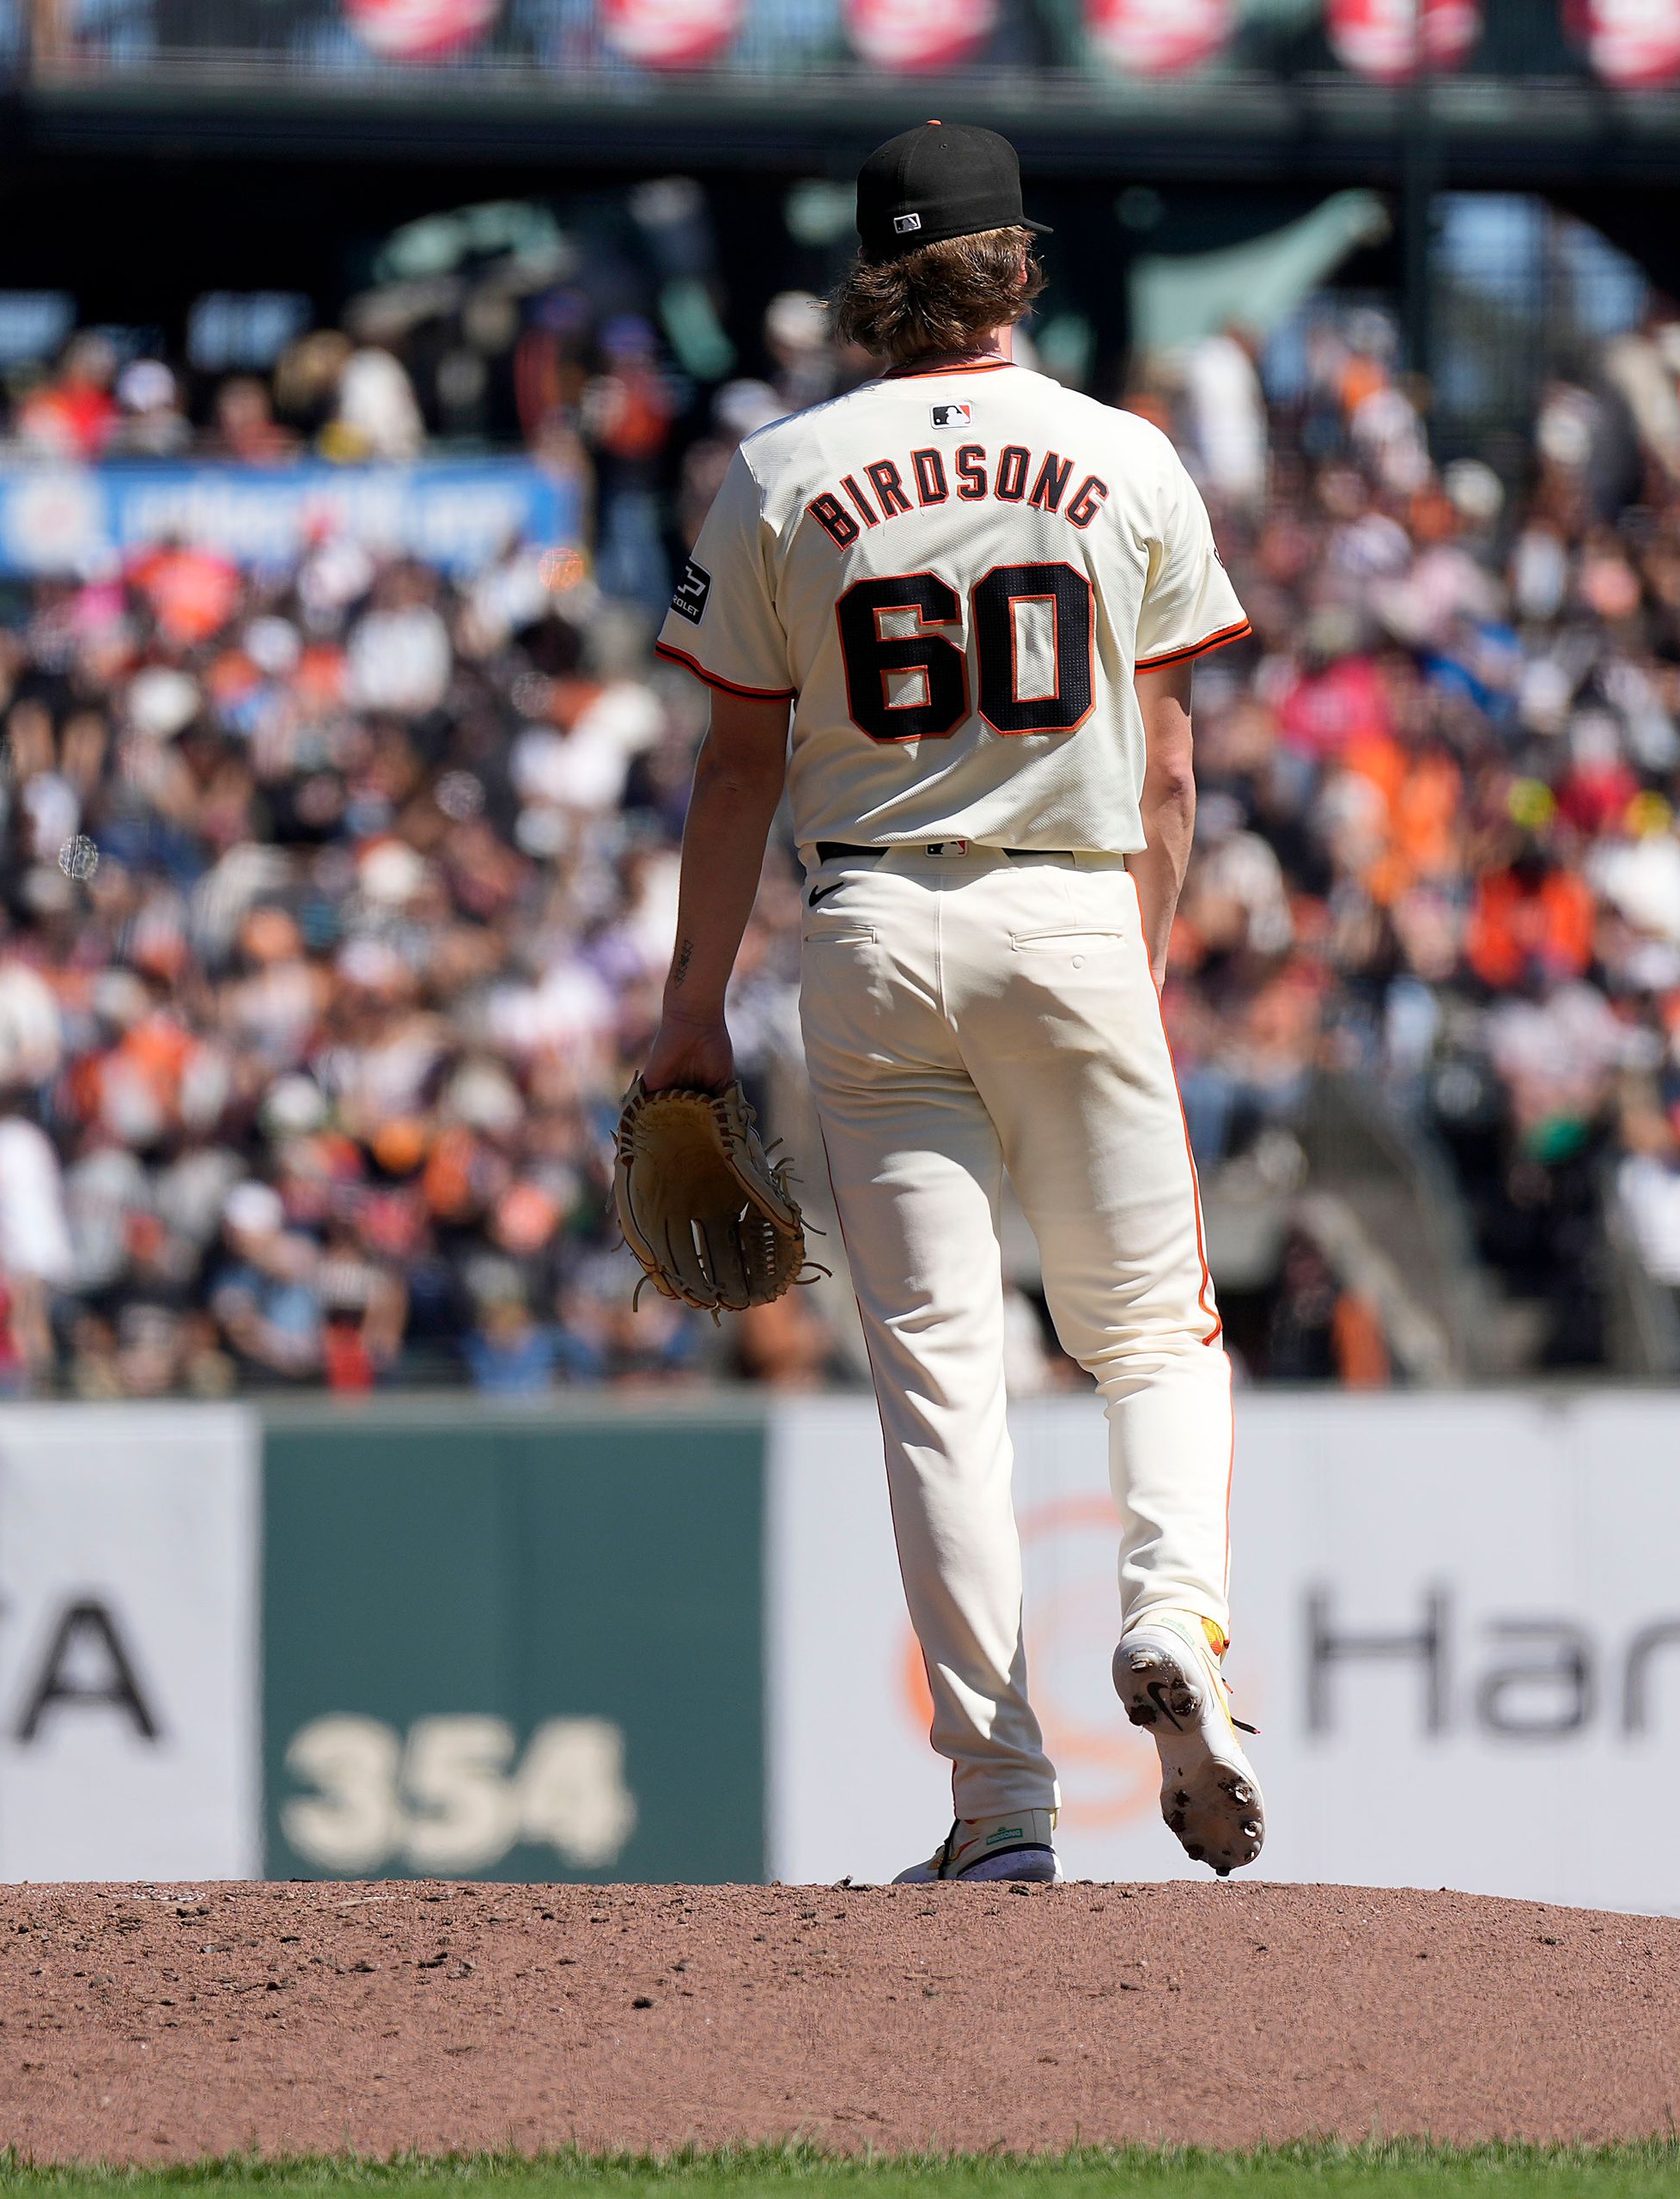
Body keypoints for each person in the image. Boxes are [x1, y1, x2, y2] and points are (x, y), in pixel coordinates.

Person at [640, 124, 1261, 1885]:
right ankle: (1176, 1623)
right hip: (1069, 909)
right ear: (1020, 267)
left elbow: (738, 759)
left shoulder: (780, 468)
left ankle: (1000, 1804)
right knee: (1149, 1328)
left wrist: (694, 1011)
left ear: (870, 282)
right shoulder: (1125, 456)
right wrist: (1124, 979)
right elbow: (1173, 776)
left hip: (868, 921)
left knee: (939, 1381)